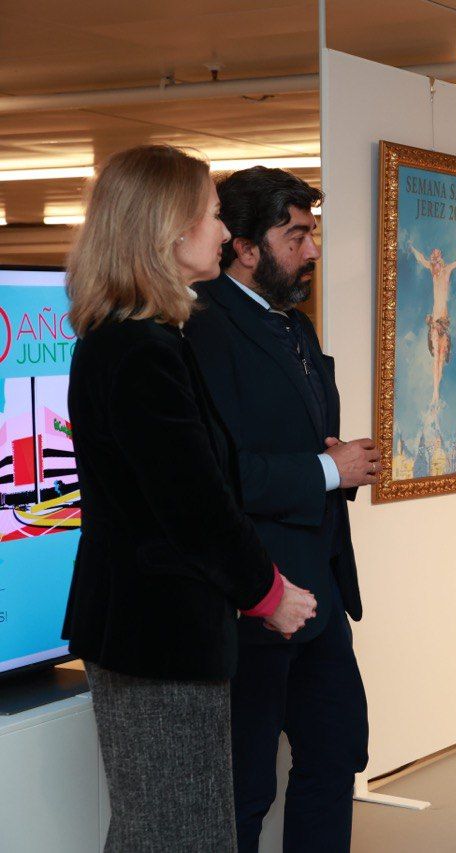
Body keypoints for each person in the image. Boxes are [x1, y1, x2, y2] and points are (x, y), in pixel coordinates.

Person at [62, 144, 316, 851]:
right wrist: (268, 592)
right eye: (209, 213)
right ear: (169, 231)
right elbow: (193, 504)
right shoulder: (139, 349)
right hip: (158, 632)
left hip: (151, 627)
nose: (219, 226)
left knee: (161, 825)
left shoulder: (132, 339)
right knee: (178, 830)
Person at [183, 166, 378, 853]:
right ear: (244, 245)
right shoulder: (203, 328)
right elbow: (220, 474)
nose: (312, 248)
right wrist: (330, 467)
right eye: (296, 234)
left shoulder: (292, 326)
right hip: (258, 598)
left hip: (320, 592)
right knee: (245, 790)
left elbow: (297, 445)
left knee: (335, 756)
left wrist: (336, 464)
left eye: (312, 232)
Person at [407, 239, 456, 405]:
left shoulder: (446, 270)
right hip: (436, 322)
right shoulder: (433, 272)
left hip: (444, 322)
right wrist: (412, 248)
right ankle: (435, 392)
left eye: (436, 259)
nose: (434, 264)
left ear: (441, 260)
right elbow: (422, 259)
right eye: (433, 261)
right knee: (437, 358)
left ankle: (437, 391)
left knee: (441, 358)